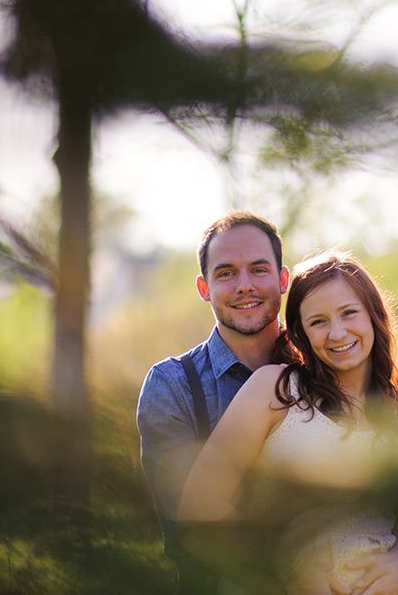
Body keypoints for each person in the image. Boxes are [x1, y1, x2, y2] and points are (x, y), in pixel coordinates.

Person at [179, 251, 398, 595]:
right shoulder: (274, 390)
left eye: (349, 313)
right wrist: (287, 568)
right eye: (318, 321)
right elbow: (199, 500)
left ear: (373, 315)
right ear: (302, 333)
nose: (337, 333)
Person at [137, 210, 290, 593]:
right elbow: (187, 532)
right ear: (204, 287)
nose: (244, 286)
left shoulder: (321, 365)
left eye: (258, 269)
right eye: (226, 273)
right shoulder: (172, 385)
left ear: (282, 279)